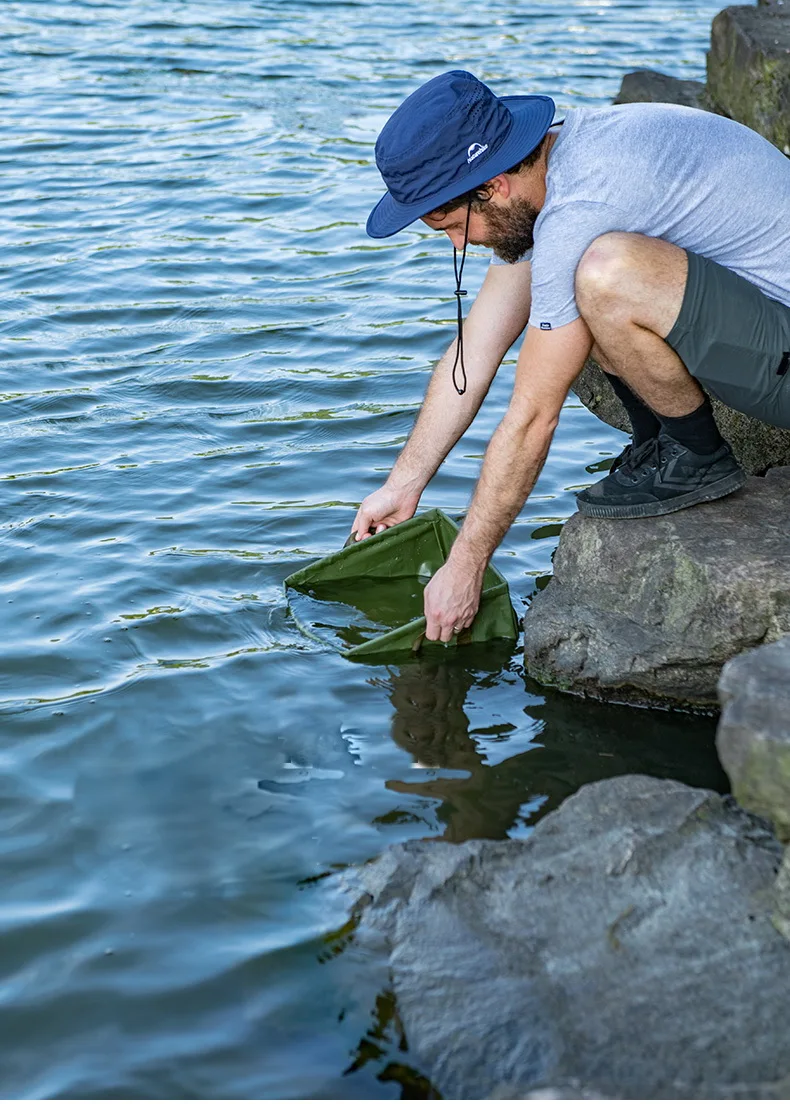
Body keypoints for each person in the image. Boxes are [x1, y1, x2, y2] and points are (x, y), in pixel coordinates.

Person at [351, 69, 790, 643]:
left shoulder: (580, 207)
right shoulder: (554, 171)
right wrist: (403, 485)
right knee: (568, 299)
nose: (458, 244)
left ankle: (694, 457)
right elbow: (473, 350)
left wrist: (465, 565)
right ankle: (661, 444)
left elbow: (533, 416)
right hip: (769, 327)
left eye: (449, 224)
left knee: (606, 275)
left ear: (494, 185)